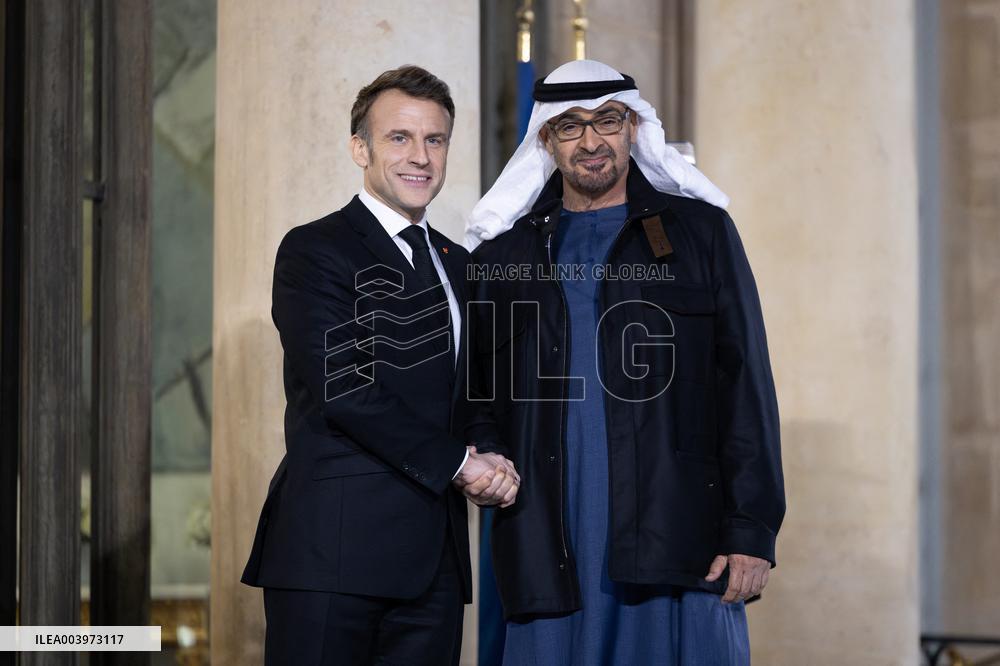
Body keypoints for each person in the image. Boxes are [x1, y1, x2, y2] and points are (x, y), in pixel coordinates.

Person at [465, 59, 785, 664]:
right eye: (570, 126)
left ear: (633, 127)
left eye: (607, 121)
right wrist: (485, 461)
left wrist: (752, 530)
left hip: (678, 528)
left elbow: (746, 386)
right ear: (545, 140)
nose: (591, 141)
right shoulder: (503, 255)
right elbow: (477, 392)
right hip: (545, 534)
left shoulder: (702, 233)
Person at [241, 65, 520, 666]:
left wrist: (492, 457)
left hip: (436, 570)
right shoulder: (315, 250)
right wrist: (461, 464)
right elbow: (343, 389)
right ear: (359, 148)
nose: (420, 156)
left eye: (435, 140)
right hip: (332, 557)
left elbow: (470, 394)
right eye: (399, 138)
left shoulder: (460, 263)